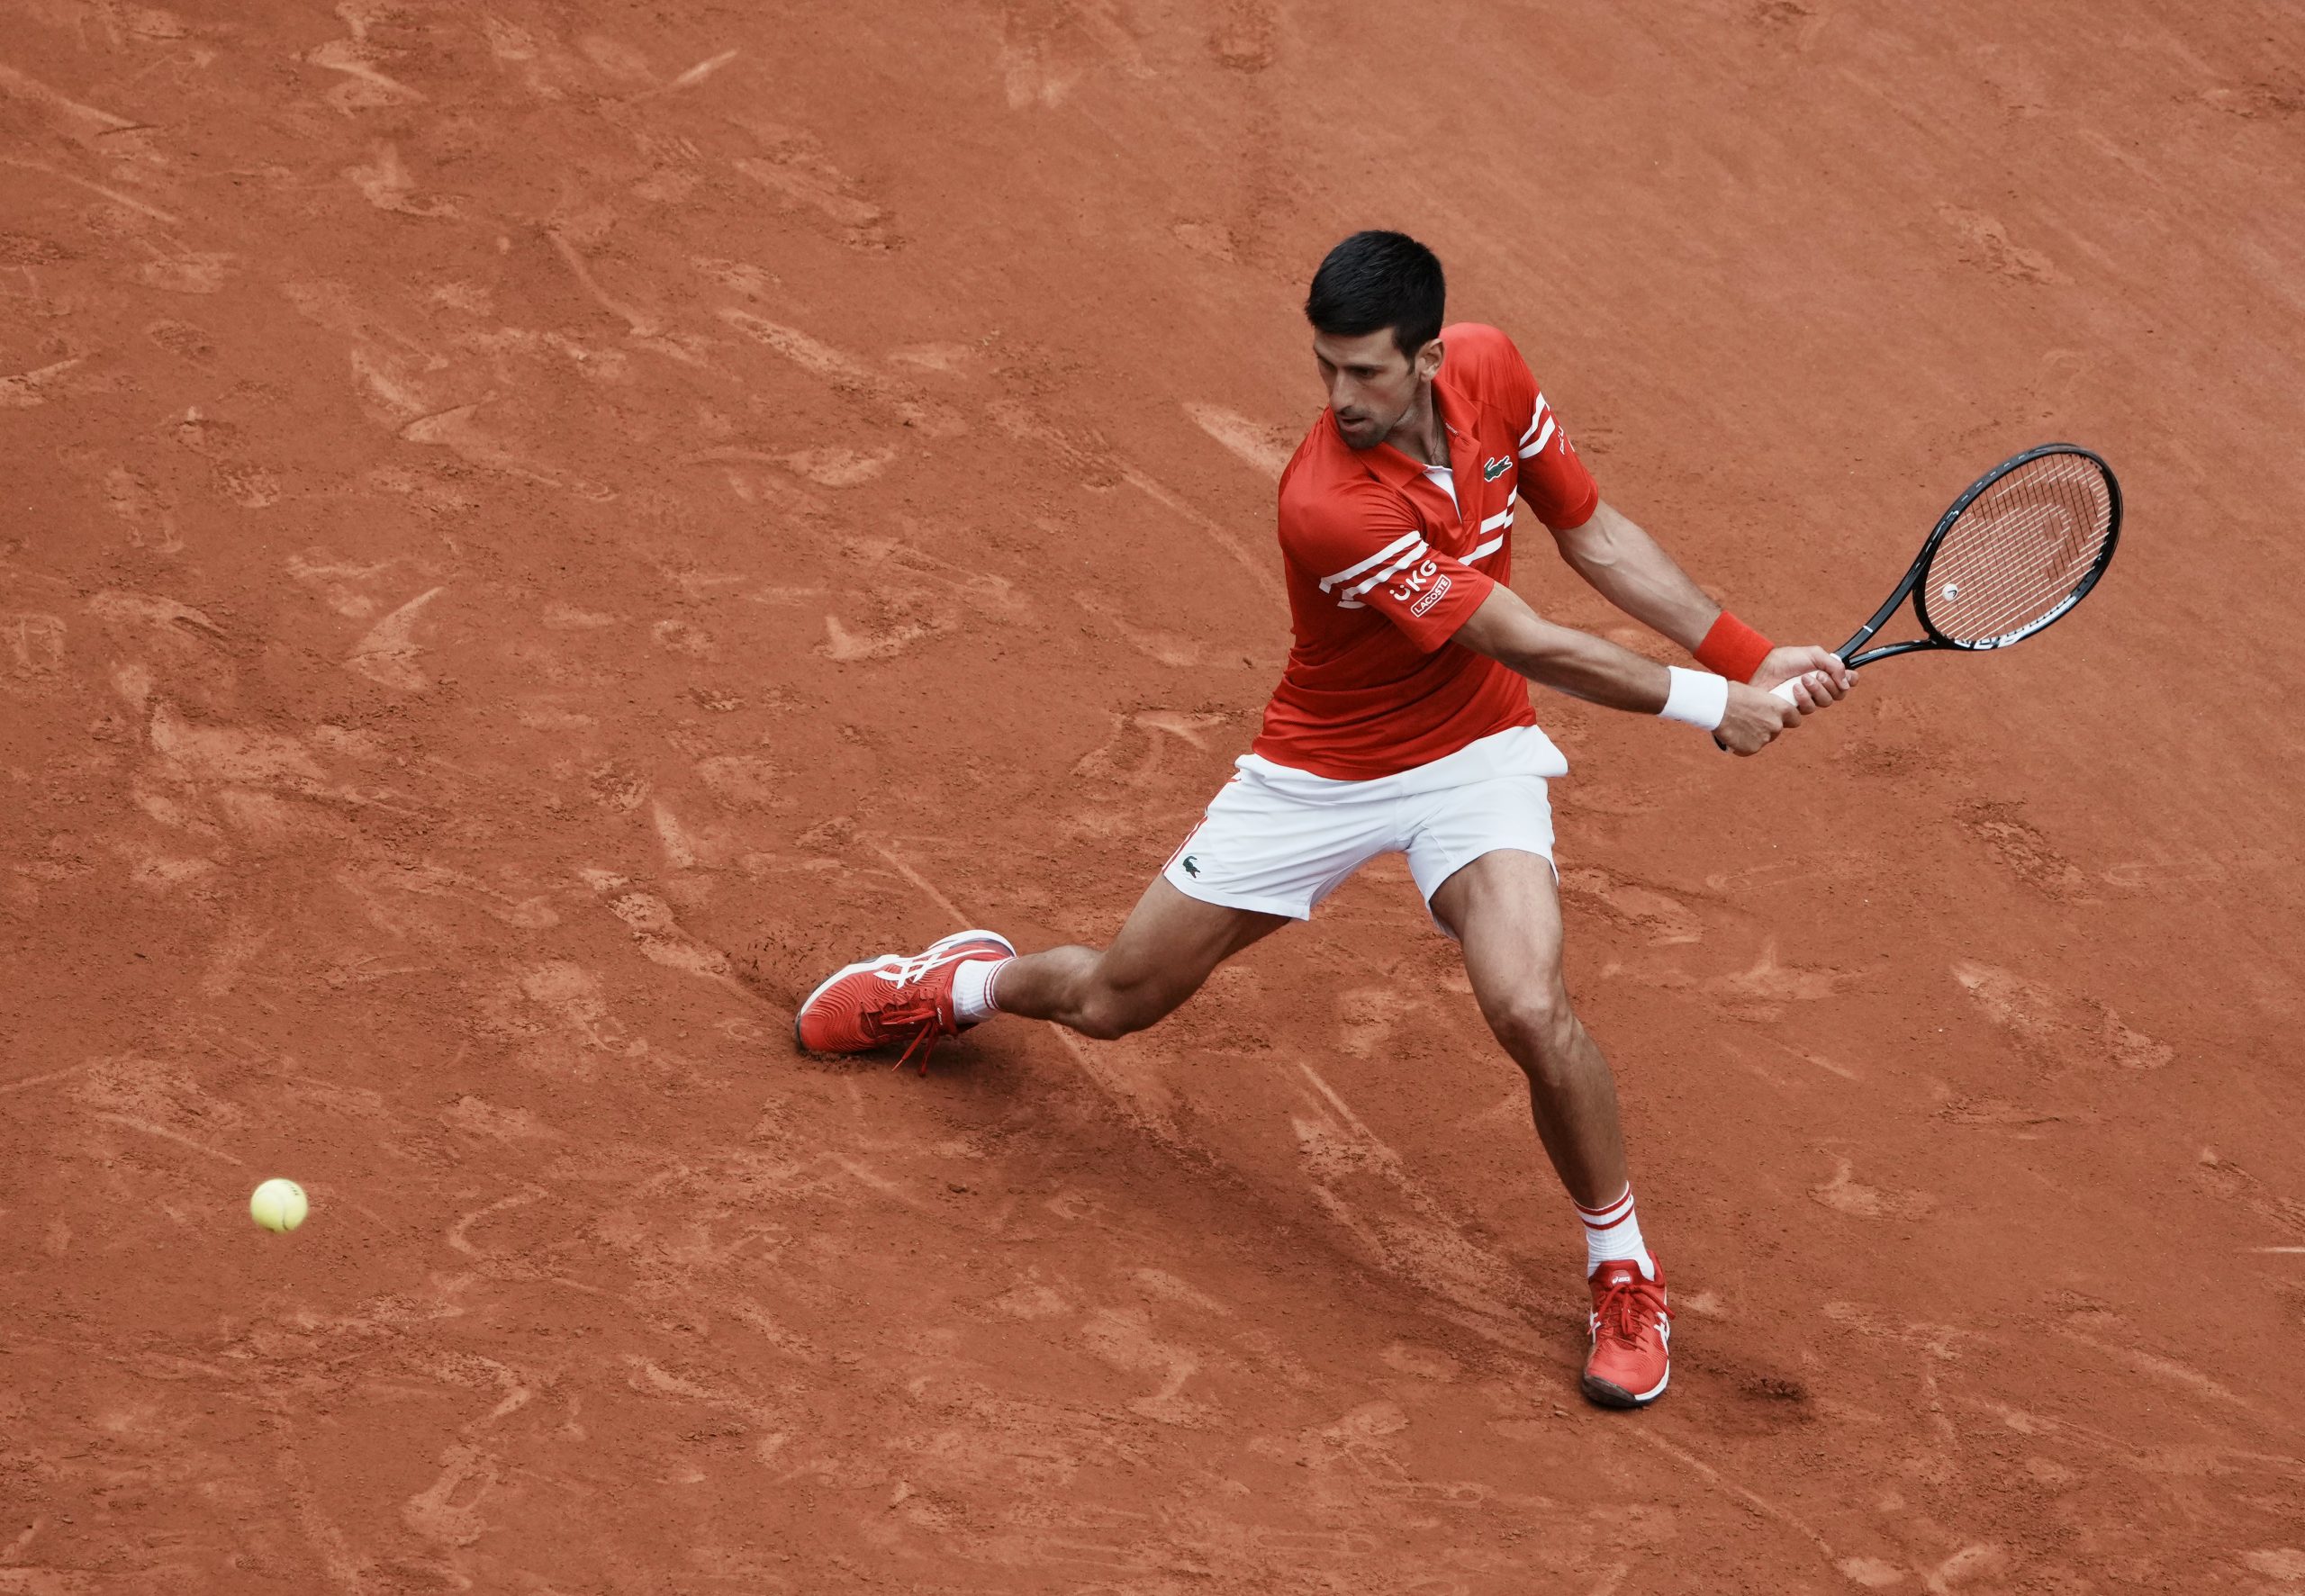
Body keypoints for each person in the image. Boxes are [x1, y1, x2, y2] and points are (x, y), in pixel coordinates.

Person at [793, 230, 1853, 1409]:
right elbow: (1521, 634)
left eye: (1366, 373)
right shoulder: (1327, 503)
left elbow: (1591, 534)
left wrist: (1749, 656)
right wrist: (1717, 706)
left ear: (1432, 356)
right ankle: (961, 985)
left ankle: (1622, 1269)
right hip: (1327, 768)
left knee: (1531, 1004)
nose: (1340, 398)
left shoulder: (1495, 372)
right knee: (1113, 999)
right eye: (1326, 371)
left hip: (1476, 754)